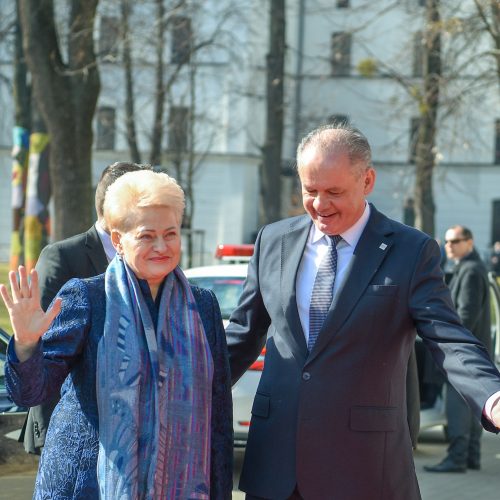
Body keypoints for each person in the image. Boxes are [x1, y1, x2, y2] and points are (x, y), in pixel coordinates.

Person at [226, 123, 500, 500]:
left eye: (334, 192)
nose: (320, 205)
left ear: (367, 180)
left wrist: (491, 395)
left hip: (364, 468)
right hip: (276, 466)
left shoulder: (411, 250)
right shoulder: (273, 240)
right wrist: (181, 392)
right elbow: (242, 334)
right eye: (310, 191)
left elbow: (448, 337)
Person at [1, 170, 233, 499]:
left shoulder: (203, 306)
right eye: (146, 236)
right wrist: (26, 344)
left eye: (170, 234)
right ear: (117, 240)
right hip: (90, 486)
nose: (161, 246)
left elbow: (219, 416)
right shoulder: (87, 298)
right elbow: (30, 392)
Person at [20, 161, 146, 455]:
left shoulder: (146, 258)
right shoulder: (63, 257)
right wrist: (52, 431)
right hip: (69, 432)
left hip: (130, 431)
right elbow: (43, 344)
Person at [425, 225, 492, 473]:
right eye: (447, 242)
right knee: (472, 407)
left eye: (455, 241)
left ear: (470, 242)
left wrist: (446, 341)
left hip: (463, 355)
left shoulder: (471, 270)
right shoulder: (469, 268)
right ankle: (471, 458)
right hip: (473, 351)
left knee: (458, 409)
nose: (449, 246)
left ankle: (457, 459)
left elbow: (466, 313)